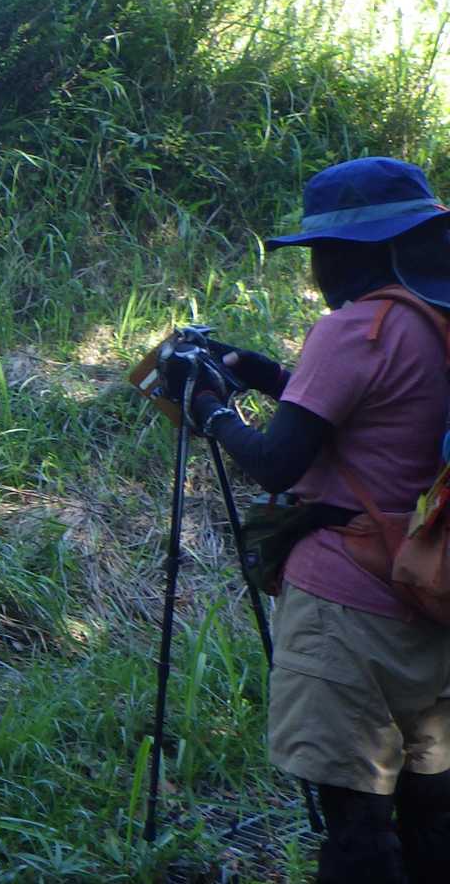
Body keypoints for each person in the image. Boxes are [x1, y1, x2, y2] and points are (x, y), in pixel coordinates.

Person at [178, 156, 450, 882]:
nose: (317, 269)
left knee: (358, 830)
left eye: (322, 250)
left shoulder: (353, 329)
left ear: (358, 251)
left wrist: (209, 412)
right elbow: (374, 414)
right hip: (430, 591)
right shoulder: (433, 322)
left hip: (347, 604)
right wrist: (260, 371)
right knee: (433, 814)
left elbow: (277, 463)